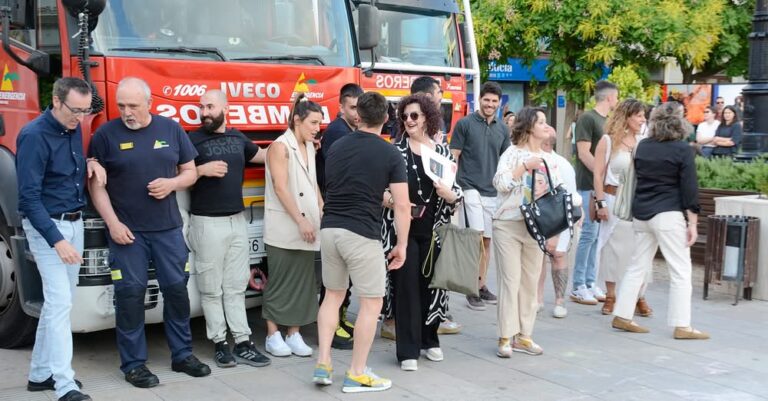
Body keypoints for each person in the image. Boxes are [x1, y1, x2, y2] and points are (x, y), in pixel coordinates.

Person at [88, 77, 210, 388]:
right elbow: (95, 185)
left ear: (149, 104)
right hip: (127, 232)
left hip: (167, 228)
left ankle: (182, 355)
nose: (127, 112)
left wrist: (171, 184)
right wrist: (112, 224)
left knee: (176, 289)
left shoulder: (171, 129)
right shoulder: (105, 135)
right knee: (130, 295)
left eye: (133, 106)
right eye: (121, 106)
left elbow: (190, 172)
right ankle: (133, 364)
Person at [313, 92, 410, 393]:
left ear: (358, 116)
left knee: (332, 295)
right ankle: (356, 372)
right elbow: (403, 206)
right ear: (386, 119)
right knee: (371, 302)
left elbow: (343, 186)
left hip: (330, 229)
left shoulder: (337, 146)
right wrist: (402, 244)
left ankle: (324, 362)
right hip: (361, 233)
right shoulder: (390, 153)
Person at [17, 77, 105, 401]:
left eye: (84, 111)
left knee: (58, 305)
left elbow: (67, 170)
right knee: (60, 304)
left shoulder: (73, 128)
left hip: (74, 223)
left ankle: (40, 374)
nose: (79, 118)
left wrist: (91, 163)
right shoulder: (33, 136)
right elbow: (28, 199)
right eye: (74, 110)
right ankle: (64, 384)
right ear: (56, 100)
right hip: (47, 229)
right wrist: (57, 240)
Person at [187, 90, 271, 368]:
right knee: (211, 289)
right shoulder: (191, 139)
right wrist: (201, 170)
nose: (204, 112)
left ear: (226, 108)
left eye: (210, 106)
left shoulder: (237, 138)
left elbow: (264, 156)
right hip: (206, 222)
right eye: (201, 107)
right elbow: (176, 174)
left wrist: (297, 144)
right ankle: (220, 344)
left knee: (235, 286)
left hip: (237, 220)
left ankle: (243, 342)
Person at [611, 102, 709, 340]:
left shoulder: (642, 146)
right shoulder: (682, 149)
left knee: (637, 265)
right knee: (681, 270)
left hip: (642, 214)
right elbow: (689, 188)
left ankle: (622, 315)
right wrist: (693, 223)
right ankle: (682, 325)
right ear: (680, 123)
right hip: (668, 214)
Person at [381, 94, 462, 371]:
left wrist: (449, 194)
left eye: (414, 115)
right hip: (403, 230)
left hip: (435, 229)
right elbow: (380, 192)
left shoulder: (441, 151)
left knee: (433, 287)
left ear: (426, 117)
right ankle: (407, 351)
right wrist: (395, 201)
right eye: (404, 116)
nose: (408, 121)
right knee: (406, 288)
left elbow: (457, 192)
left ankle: (430, 339)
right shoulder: (395, 151)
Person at [492, 107, 561, 357]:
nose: (546, 126)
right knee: (510, 281)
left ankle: (525, 335)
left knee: (530, 282)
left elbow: (556, 196)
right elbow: (499, 184)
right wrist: (523, 167)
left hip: (537, 227)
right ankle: (505, 336)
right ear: (529, 126)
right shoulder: (512, 154)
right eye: (541, 122)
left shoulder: (551, 159)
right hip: (508, 224)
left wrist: (554, 232)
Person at [262, 94, 324, 358]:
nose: (316, 128)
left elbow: (313, 183)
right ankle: (272, 335)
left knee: (304, 282)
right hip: (285, 227)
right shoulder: (280, 146)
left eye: (319, 123)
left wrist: (321, 209)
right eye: (312, 122)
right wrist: (300, 220)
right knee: (280, 281)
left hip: (309, 226)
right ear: (297, 120)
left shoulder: (309, 145)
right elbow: (280, 187)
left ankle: (294, 333)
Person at [450, 81, 511, 310]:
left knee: (486, 240)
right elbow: (454, 155)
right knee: (474, 239)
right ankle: (470, 289)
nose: (490, 104)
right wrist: (453, 188)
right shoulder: (465, 124)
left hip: (492, 191)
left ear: (499, 103)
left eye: (494, 101)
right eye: (486, 100)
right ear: (480, 99)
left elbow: (506, 161)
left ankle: (481, 284)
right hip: (469, 187)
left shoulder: (503, 129)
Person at [593, 99, 653, 316]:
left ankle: (639, 296)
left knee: (639, 250)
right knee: (613, 250)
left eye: (643, 115)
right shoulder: (608, 141)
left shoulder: (644, 141)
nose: (642, 119)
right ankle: (611, 296)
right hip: (613, 199)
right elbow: (598, 175)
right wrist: (600, 203)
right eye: (638, 115)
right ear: (626, 117)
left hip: (638, 202)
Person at [316, 83, 363, 350]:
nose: (357, 113)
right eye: (352, 108)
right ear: (341, 107)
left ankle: (340, 320)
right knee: (335, 279)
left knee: (343, 277)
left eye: (359, 108)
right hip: (337, 209)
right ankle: (332, 330)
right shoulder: (337, 132)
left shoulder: (347, 130)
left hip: (341, 209)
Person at [571, 80, 618, 305]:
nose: (617, 101)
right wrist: (602, 174)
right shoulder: (588, 118)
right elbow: (583, 152)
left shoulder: (607, 122)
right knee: (588, 234)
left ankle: (590, 281)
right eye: (616, 97)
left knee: (597, 236)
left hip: (599, 184)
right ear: (609, 97)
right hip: (589, 183)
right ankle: (579, 284)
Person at [536, 128, 581, 319]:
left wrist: (559, 230)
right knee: (537, 259)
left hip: (559, 217)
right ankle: (537, 299)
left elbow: (570, 197)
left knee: (558, 255)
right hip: (536, 216)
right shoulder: (531, 159)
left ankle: (559, 301)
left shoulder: (561, 165)